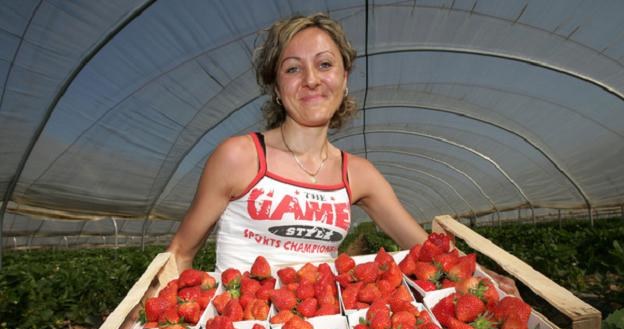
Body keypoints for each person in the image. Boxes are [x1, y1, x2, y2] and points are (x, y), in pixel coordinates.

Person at [166, 13, 519, 296]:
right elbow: (181, 253)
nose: (311, 80)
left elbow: (423, 247)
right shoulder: (240, 156)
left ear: (344, 77)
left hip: (324, 316)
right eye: (292, 68)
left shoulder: (358, 173)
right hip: (243, 315)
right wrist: (149, 313)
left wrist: (478, 275)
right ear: (276, 86)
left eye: (324, 65)